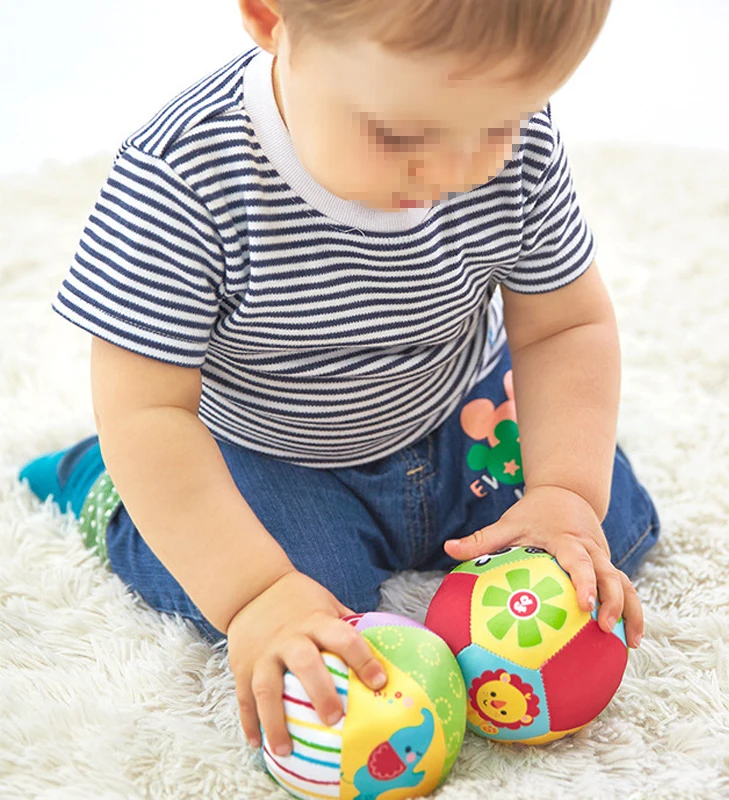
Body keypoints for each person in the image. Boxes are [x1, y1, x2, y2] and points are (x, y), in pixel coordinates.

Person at [19, 0, 660, 759]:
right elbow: (149, 409)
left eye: (499, 126)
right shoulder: (182, 177)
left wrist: (562, 494)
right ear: (270, 18)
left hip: (457, 414)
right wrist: (257, 594)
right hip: (277, 453)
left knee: (605, 526)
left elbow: (562, 325)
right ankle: (103, 486)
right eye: (398, 135)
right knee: (304, 607)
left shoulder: (498, 123)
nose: (456, 173)